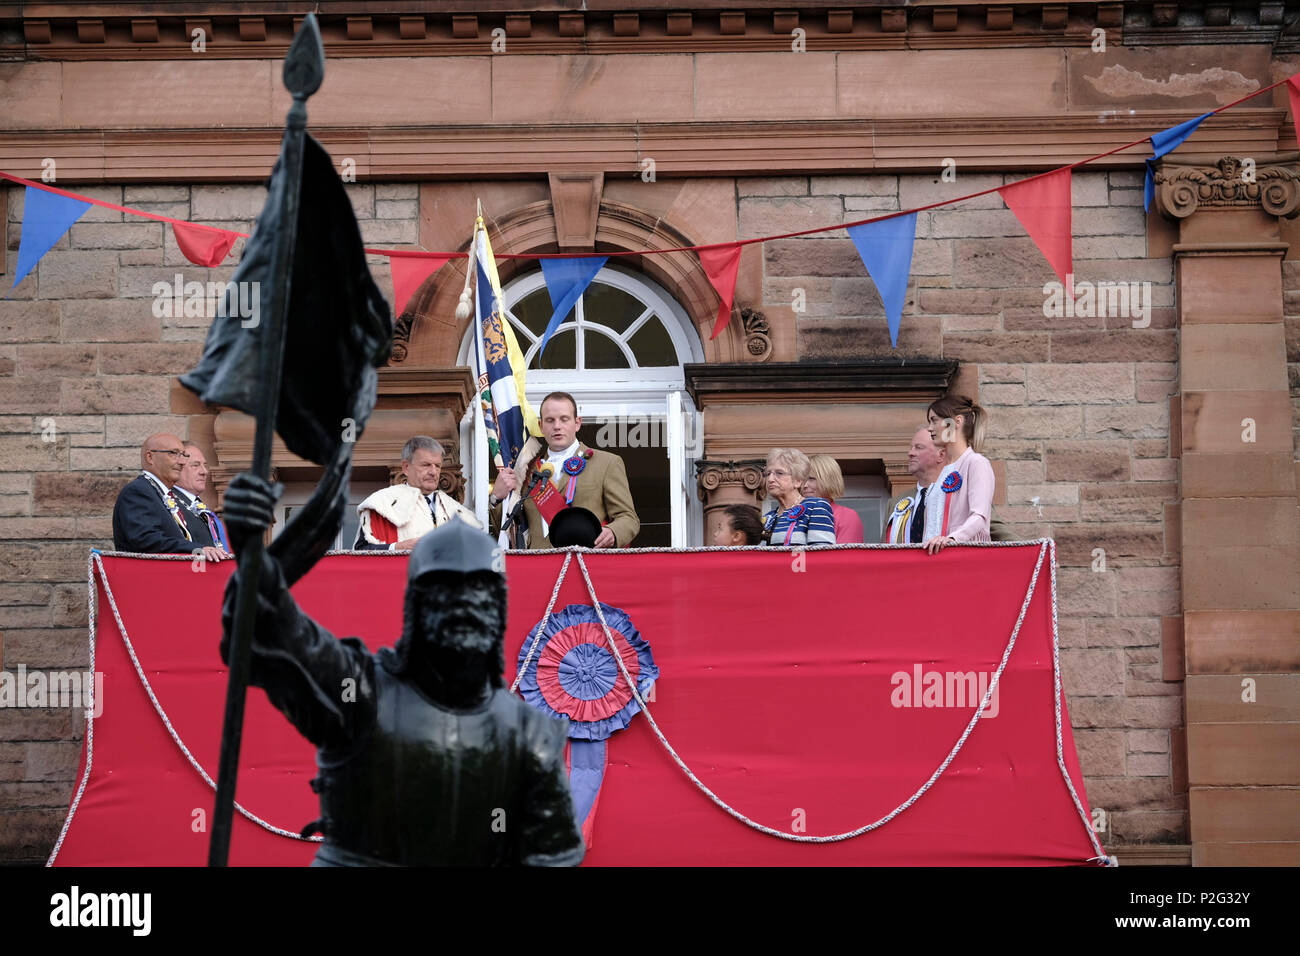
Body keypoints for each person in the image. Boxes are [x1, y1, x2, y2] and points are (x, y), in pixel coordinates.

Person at [219, 473, 585, 866]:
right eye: (445, 591)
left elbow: (551, 859)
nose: (465, 604)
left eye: (481, 593)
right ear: (416, 604)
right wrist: (253, 555)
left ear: (499, 611)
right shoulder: (358, 692)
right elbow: (266, 635)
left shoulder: (531, 735)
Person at [489, 392, 639, 549]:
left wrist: (612, 532)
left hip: (586, 565)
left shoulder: (607, 463)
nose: (557, 426)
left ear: (577, 423)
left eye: (564, 419)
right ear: (541, 426)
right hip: (540, 567)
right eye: (550, 420)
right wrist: (496, 498)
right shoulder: (526, 471)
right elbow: (509, 528)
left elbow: (629, 518)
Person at [112, 433, 228, 562]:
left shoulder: (162, 493)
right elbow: (146, 540)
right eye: (173, 453)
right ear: (150, 457)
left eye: (183, 455)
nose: (181, 462)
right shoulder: (138, 491)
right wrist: (197, 549)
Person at [355, 436, 482, 551]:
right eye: (426, 465)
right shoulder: (382, 504)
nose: (433, 472)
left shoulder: (456, 510)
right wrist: (398, 547)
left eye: (437, 466)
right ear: (406, 467)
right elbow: (360, 552)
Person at [921, 394, 995, 555]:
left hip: (962, 558)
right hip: (935, 560)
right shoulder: (942, 470)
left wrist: (952, 539)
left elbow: (980, 515)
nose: (929, 428)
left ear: (957, 422)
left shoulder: (976, 462)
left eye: (934, 420)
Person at [882, 427, 948, 544]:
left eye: (919, 447)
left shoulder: (958, 495)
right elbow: (884, 551)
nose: (910, 453)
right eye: (911, 448)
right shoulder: (896, 503)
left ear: (941, 455)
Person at [760, 448, 836, 547]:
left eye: (779, 473)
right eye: (768, 473)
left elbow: (822, 555)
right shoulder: (768, 517)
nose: (770, 479)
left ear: (798, 481)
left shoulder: (815, 507)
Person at [172, 440, 233, 555]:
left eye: (205, 465)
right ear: (176, 468)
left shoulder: (198, 505)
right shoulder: (168, 504)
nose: (204, 472)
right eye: (195, 465)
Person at [803, 454, 864, 544]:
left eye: (811, 479)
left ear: (828, 480)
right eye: (802, 479)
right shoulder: (794, 514)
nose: (804, 485)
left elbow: (845, 556)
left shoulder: (847, 516)